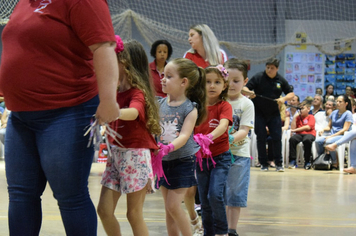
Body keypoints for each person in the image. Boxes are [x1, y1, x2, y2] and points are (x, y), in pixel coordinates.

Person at [0, 0, 120, 235]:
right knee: (21, 195)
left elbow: (104, 47)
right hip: (20, 116)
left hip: (67, 111)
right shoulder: (24, 2)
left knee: (70, 196)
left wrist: (108, 100)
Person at [96, 39, 161, 236]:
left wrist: (113, 111)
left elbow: (133, 112)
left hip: (135, 156)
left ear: (125, 63)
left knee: (133, 214)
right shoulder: (115, 92)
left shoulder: (137, 93)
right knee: (104, 211)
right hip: (116, 154)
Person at [183, 23, 227, 230]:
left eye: (192, 35)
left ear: (203, 36)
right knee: (201, 187)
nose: (189, 39)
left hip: (218, 123)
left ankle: (221, 228)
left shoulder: (220, 55)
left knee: (215, 192)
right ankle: (206, 226)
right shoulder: (188, 56)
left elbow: (225, 84)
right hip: (198, 110)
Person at [156, 58, 207, 236]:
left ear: (183, 82)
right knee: (169, 210)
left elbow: (185, 135)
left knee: (173, 206)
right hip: (163, 162)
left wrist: (168, 147)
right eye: (163, 75)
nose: (163, 79)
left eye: (169, 76)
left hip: (182, 162)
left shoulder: (190, 108)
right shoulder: (159, 104)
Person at [194, 65, 232, 236]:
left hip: (221, 158)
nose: (212, 86)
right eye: (208, 82)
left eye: (217, 82)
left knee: (215, 195)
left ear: (224, 85)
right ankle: (208, 233)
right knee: (204, 200)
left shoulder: (224, 106)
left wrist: (208, 138)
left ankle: (222, 232)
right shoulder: (197, 107)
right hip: (201, 159)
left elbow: (223, 126)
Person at [243, 58, 294, 172]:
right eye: (268, 67)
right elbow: (245, 88)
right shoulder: (258, 77)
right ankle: (263, 163)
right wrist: (249, 93)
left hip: (274, 113)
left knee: (276, 137)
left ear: (277, 69)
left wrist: (284, 99)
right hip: (259, 112)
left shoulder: (280, 80)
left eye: (272, 68)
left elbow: (291, 93)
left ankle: (279, 163)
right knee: (261, 137)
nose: (269, 70)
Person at [225, 59, 254, 236]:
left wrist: (227, 139)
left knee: (235, 193)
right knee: (216, 193)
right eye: (228, 80)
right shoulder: (216, 101)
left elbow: (244, 130)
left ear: (245, 82)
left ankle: (232, 229)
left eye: (236, 81)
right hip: (218, 155)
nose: (231, 84)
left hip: (239, 155)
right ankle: (218, 226)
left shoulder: (246, 104)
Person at [315, 95, 353, 169]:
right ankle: (323, 159)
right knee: (318, 140)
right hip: (332, 134)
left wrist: (331, 136)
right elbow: (329, 126)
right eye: (337, 101)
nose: (337, 103)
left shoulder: (348, 114)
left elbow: (345, 129)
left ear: (346, 103)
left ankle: (335, 162)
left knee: (329, 141)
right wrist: (323, 129)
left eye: (340, 101)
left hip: (343, 136)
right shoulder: (334, 112)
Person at [288, 103, 316, 169]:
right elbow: (293, 128)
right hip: (299, 134)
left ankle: (307, 161)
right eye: (299, 109)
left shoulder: (311, 117)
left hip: (309, 134)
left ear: (308, 109)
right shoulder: (297, 117)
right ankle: (293, 160)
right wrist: (295, 117)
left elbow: (308, 127)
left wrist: (296, 130)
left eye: (302, 108)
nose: (300, 110)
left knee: (307, 140)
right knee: (292, 139)